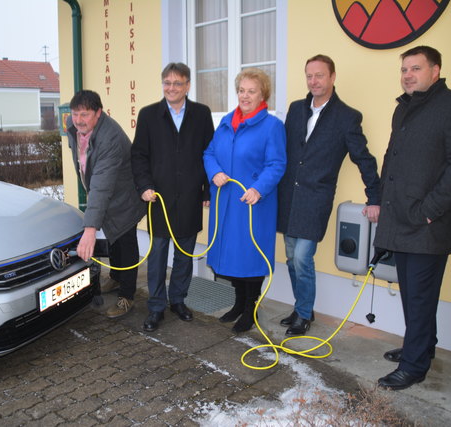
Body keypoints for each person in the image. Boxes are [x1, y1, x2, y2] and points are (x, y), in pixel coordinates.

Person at [374, 46, 451, 390]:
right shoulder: (404, 108)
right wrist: (382, 200)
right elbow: (393, 159)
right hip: (401, 220)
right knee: (413, 294)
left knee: (420, 296)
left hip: (427, 225)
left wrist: (429, 211)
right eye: (404, 69)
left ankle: (414, 365)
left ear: (435, 71)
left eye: (415, 68)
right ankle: (421, 347)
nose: (407, 75)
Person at [277, 54, 381, 336]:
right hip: (289, 196)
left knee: (302, 257)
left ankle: (303, 313)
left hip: (315, 199)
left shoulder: (347, 117)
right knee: (291, 256)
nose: (313, 81)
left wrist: (375, 197)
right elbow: (282, 150)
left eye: (319, 75)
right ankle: (302, 307)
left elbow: (364, 159)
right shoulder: (295, 109)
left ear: (332, 77)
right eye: (309, 76)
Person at [131, 63, 215, 332]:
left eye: (177, 83)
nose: (171, 88)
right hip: (158, 198)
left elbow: (209, 153)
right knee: (157, 255)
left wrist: (207, 190)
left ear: (187, 85)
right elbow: (139, 155)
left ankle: (178, 300)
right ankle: (156, 306)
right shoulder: (148, 115)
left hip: (189, 196)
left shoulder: (201, 114)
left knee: (184, 254)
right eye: (167, 82)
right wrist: (144, 186)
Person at [203, 68, 286, 333]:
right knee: (231, 257)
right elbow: (209, 153)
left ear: (263, 95)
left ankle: (251, 309)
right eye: (241, 90)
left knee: (251, 256)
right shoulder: (226, 122)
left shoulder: (272, 126)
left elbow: (276, 164)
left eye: (251, 91)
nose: (245, 96)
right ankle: (239, 303)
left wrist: (258, 189)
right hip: (226, 201)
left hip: (253, 204)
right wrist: (214, 172)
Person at [66, 90, 146, 318]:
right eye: (75, 114)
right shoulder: (73, 127)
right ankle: (116, 277)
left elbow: (102, 184)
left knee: (125, 243)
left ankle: (127, 296)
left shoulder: (110, 138)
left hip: (125, 198)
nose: (78, 120)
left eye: (84, 114)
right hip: (105, 194)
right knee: (113, 240)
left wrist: (90, 229)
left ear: (98, 113)